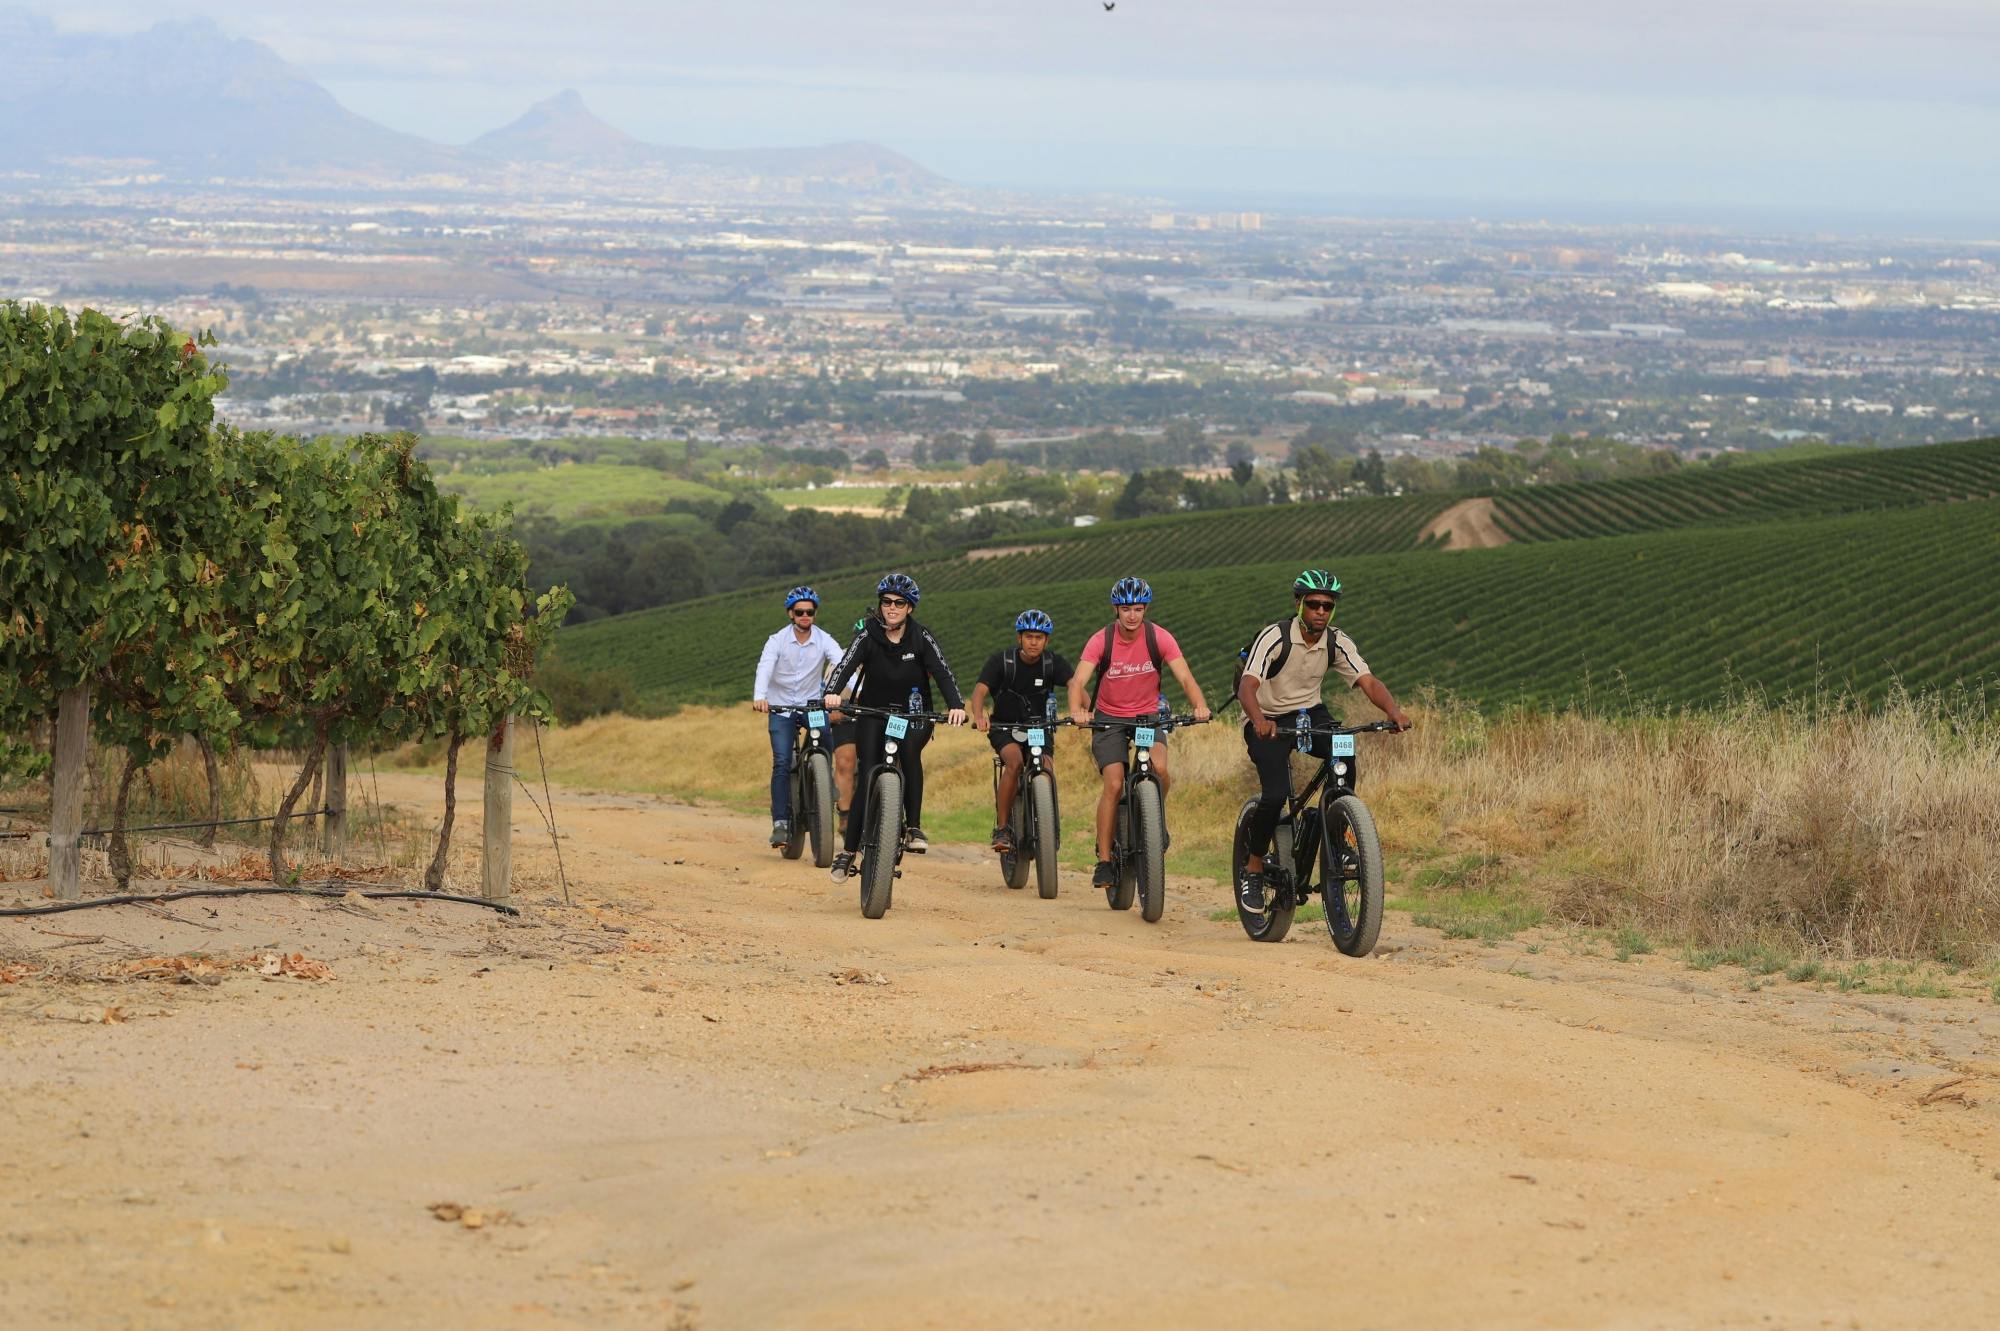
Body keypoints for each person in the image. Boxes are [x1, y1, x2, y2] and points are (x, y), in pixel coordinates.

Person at [1235, 569, 1411, 912]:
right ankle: (1253, 868)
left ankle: (1339, 828)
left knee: (1343, 749)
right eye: (1313, 604)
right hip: (1266, 717)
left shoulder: (1336, 641)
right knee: (1274, 795)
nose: (1320, 611)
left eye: (1327, 606)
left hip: (1309, 713)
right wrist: (1259, 720)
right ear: (1299, 603)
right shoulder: (1275, 636)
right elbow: (1247, 686)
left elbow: (1368, 681)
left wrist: (1394, 712)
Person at [1066, 576, 1210, 892]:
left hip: (1147, 718)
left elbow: (1185, 678)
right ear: (1116, 609)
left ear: (1145, 609)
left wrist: (1200, 705)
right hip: (1109, 719)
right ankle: (1104, 861)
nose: (1132, 615)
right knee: (1114, 783)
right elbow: (1077, 682)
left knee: (1160, 770)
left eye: (1138, 608)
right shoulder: (1100, 640)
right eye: (1126, 609)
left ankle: (1154, 821)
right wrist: (1078, 710)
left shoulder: (1159, 637)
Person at [822, 573, 966, 883]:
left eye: (899, 603)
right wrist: (831, 694)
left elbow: (943, 673)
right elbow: (844, 666)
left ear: (910, 608)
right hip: (873, 712)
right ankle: (848, 852)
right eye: (886, 602)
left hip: (913, 715)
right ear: (880, 605)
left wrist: (956, 705)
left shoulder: (921, 637)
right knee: (869, 769)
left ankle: (912, 827)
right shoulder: (867, 635)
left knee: (910, 752)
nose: (892, 608)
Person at [969, 609, 1073, 853]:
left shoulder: (1052, 663)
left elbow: (1075, 685)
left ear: (1047, 640)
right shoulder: (1001, 662)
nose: (1034, 642)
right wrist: (979, 716)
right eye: (1029, 636)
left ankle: (1049, 827)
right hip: (1005, 727)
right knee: (1014, 763)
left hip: (1038, 728)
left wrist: (1082, 709)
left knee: (1046, 768)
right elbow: (979, 692)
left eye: (1039, 637)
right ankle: (1003, 828)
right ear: (1019, 638)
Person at [751, 585, 845, 848]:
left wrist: (854, 692)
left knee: (825, 733)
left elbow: (842, 662)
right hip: (780, 708)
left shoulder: (824, 639)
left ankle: (824, 777)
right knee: (781, 761)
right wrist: (760, 696)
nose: (805, 616)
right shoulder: (776, 641)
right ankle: (780, 823)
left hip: (810, 706)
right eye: (800, 612)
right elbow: (765, 667)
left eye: (810, 612)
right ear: (790, 614)